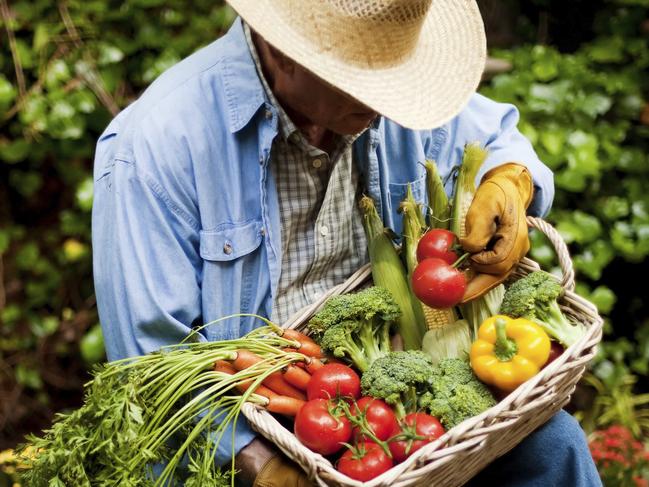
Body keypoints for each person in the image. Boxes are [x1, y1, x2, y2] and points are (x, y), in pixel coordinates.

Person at [91, 0, 602, 485]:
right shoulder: (152, 150)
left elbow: (498, 138)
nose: (390, 103)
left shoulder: (395, 105)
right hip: (254, 431)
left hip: (387, 408)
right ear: (282, 50)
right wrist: (263, 467)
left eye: (397, 80)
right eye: (366, 80)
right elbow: (151, 369)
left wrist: (511, 180)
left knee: (556, 447)